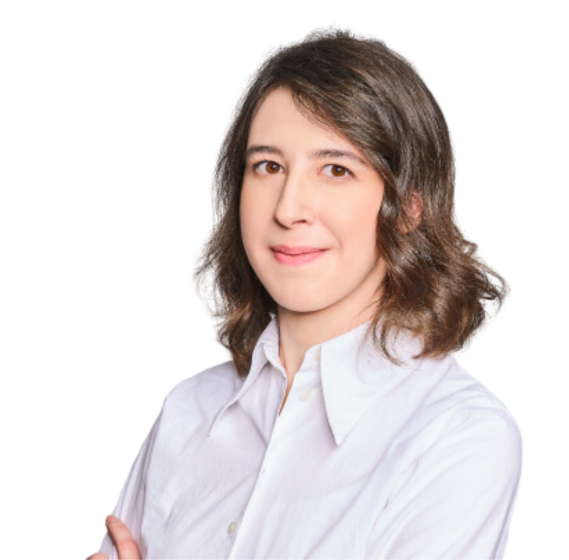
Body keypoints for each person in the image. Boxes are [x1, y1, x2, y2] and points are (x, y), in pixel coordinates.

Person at [88, 29, 521, 560]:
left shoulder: (456, 436)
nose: (289, 208)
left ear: (411, 207)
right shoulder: (188, 412)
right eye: (268, 166)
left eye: (336, 170)